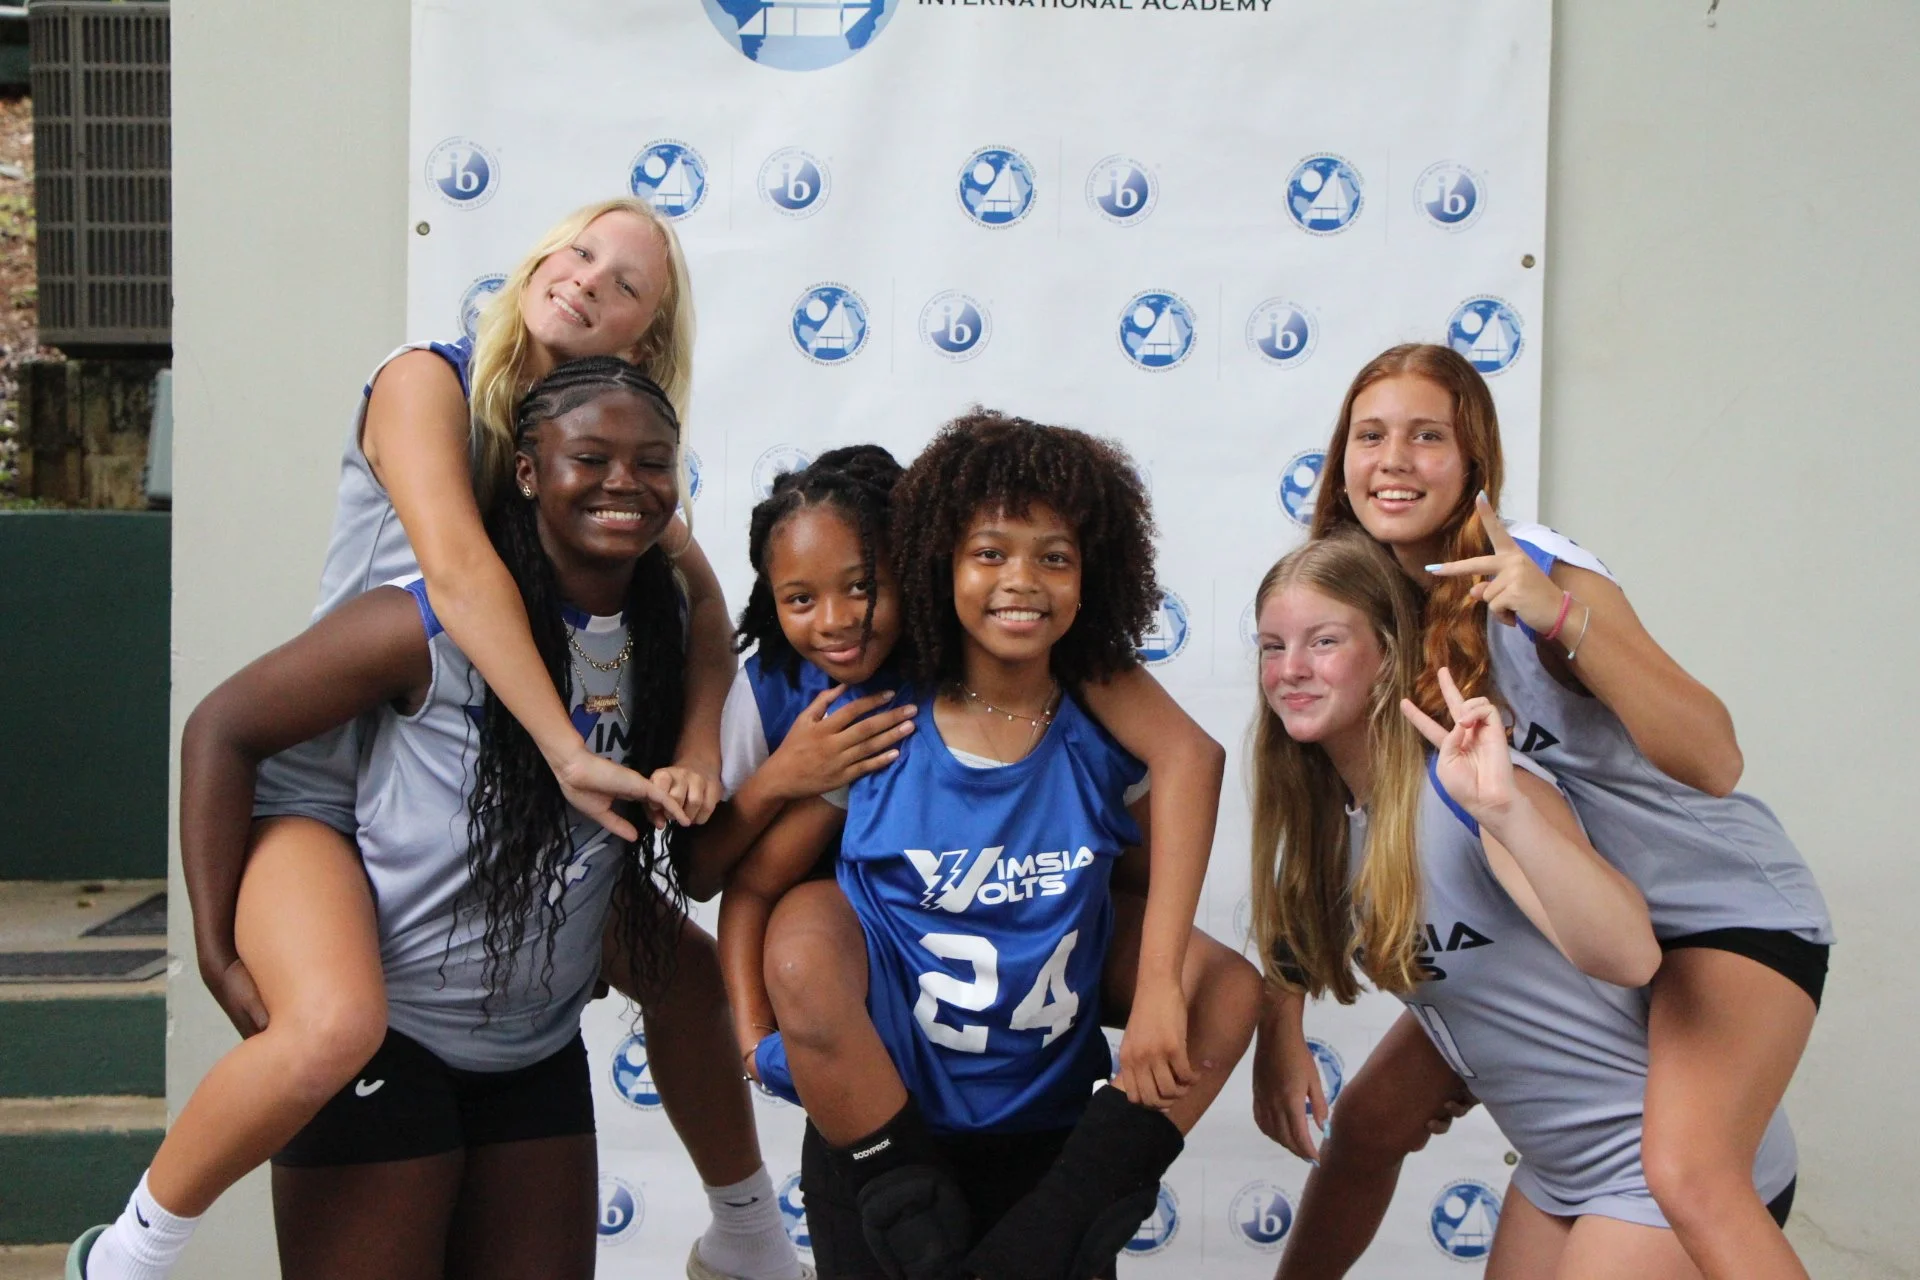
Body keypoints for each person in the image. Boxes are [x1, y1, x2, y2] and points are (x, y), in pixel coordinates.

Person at [71, 200, 799, 1280]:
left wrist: (696, 744)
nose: (589, 277)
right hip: (333, 789)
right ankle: (131, 1250)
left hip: (500, 810)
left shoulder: (599, 446)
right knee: (332, 1023)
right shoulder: (433, 382)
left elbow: (698, 600)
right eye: (580, 247)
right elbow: (457, 577)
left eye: (625, 281)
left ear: (641, 343)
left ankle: (748, 1232)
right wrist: (563, 746)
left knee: (683, 973)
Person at [1260, 343, 1831, 1280]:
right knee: (1369, 1119)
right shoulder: (1376, 613)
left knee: (1689, 1173)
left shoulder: (1529, 572)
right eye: (1371, 436)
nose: (1394, 460)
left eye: (1426, 436)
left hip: (1718, 912)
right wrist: (1279, 1030)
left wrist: (1556, 612)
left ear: (1475, 458)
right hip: (1566, 917)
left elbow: (1716, 758)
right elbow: (1329, 832)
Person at [718, 417, 1262, 1280]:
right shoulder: (885, 720)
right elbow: (747, 885)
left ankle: (1067, 1220)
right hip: (892, 1114)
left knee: (1228, 990)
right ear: (939, 562)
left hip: (1039, 1129)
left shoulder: (1097, 718)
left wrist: (1159, 986)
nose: (1023, 581)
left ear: (1093, 576)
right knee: (804, 932)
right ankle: (898, 1188)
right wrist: (752, 1039)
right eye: (990, 554)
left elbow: (1184, 777)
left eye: (1055, 557)